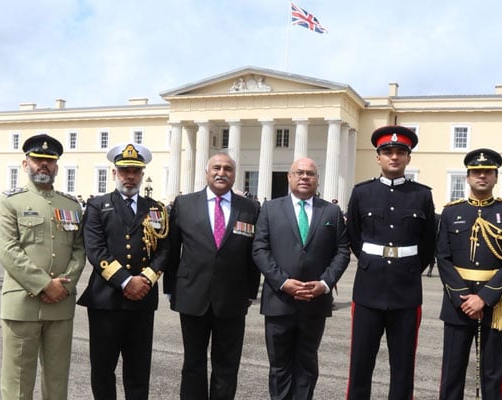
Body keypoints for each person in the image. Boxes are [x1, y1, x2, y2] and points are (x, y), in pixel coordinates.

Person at [345, 125, 436, 399]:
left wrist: (406, 268)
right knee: (360, 363)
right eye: (387, 152)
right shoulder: (361, 193)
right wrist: (374, 263)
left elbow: (428, 243)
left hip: (406, 292)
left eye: (400, 152)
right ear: (378, 157)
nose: (393, 157)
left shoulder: (422, 195)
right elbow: (354, 238)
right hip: (368, 290)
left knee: (403, 366)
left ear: (408, 158)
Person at [0, 134, 86, 399]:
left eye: (49, 160)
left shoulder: (71, 205)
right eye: (37, 159)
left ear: (56, 166)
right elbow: (7, 250)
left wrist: (64, 286)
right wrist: (45, 285)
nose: (43, 164)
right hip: (22, 304)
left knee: (57, 381)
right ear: (26, 164)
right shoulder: (11, 201)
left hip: (60, 305)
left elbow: (79, 249)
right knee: (18, 382)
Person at [252, 157, 350, 400]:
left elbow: (342, 251)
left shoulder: (331, 211)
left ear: (317, 179)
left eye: (310, 173)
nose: (305, 177)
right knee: (279, 366)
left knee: (307, 364)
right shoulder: (270, 209)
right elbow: (260, 249)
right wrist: (283, 282)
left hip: (314, 302)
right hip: (279, 301)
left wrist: (325, 283)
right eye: (299, 172)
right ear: (289, 177)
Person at [165, 152, 260, 400]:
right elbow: (173, 249)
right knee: (193, 364)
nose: (221, 173)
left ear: (234, 175)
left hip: (232, 299)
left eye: (228, 169)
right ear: (206, 172)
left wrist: (250, 293)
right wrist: (170, 289)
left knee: (227, 366)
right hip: (192, 295)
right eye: (216, 168)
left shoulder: (249, 208)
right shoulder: (184, 204)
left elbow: (253, 255)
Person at [78, 143, 169, 400]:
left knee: (139, 370)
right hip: (106, 300)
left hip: (142, 301)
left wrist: (146, 280)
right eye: (124, 170)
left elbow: (164, 249)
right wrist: (126, 281)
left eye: (135, 171)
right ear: (114, 173)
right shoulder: (98, 205)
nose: (130, 176)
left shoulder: (156, 208)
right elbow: (95, 249)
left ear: (142, 174)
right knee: (103, 368)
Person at [436, 148, 502, 399]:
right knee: (452, 372)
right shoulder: (452, 212)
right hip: (458, 303)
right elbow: (443, 258)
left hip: (495, 304)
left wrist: (484, 298)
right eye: (476, 172)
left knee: (493, 374)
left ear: (496, 177)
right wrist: (464, 298)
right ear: (468, 177)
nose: (482, 176)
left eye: (488, 172)